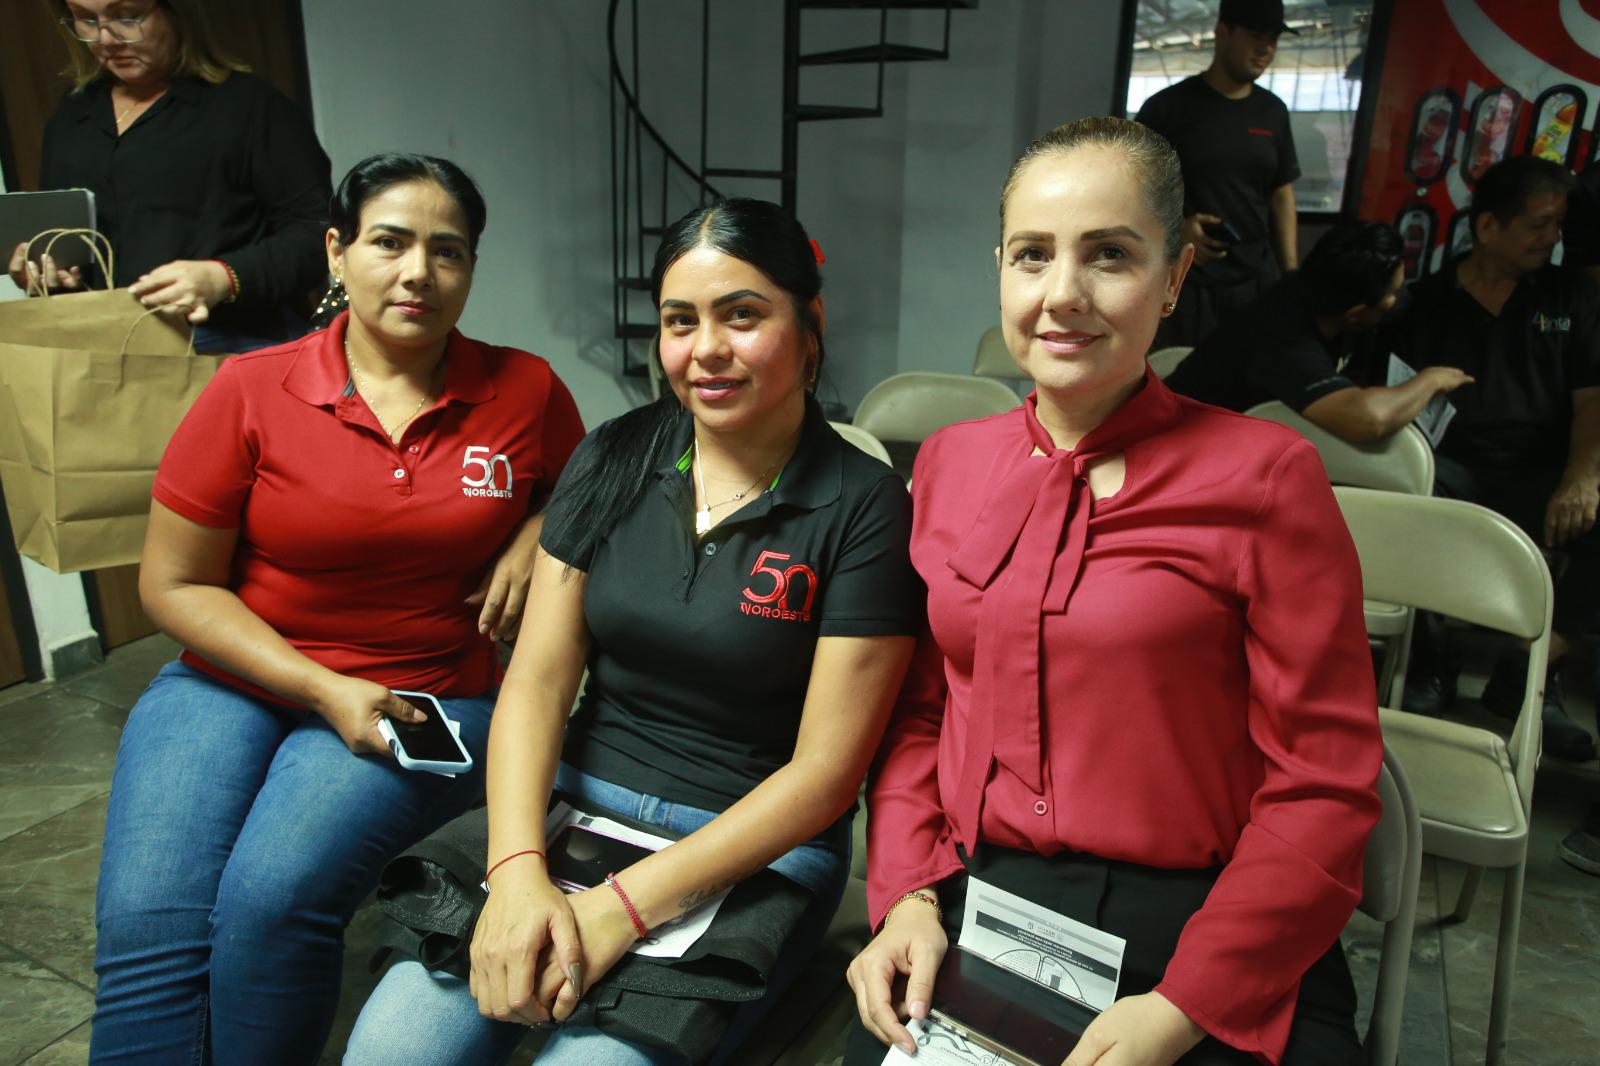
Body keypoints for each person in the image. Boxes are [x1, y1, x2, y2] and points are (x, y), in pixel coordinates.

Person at [845, 116, 1381, 1066]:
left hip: (1211, 917)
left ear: (1175, 279)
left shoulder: (1265, 478)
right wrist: (906, 898)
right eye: (1031, 255)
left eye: (1110, 256)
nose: (1062, 295)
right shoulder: (951, 465)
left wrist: (1185, 1006)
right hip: (987, 897)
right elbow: (920, 717)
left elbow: (1326, 784)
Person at [343, 198, 921, 1065]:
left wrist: (624, 906)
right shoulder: (615, 456)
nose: (706, 351)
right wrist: (515, 872)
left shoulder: (865, 505)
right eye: (680, 321)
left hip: (743, 846)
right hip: (574, 803)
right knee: (392, 1053)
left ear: (810, 325)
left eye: (743, 315)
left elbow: (825, 776)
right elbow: (536, 683)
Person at [88, 153, 585, 1065]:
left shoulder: (524, 389)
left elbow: (596, 497)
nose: (417, 274)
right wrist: (320, 686)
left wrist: (538, 528)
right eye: (388, 243)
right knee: (148, 923)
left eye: (448, 252)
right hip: (234, 678)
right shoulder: (250, 388)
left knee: (270, 902)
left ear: (472, 269)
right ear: (336, 251)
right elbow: (174, 584)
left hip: (425, 692)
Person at [1385, 155, 1598, 761]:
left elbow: (1593, 401)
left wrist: (1583, 478)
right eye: (1537, 225)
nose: (1552, 238)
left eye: (1557, 225)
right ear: (1487, 228)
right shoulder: (1423, 302)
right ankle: (1429, 665)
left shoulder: (1573, 296)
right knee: (1410, 500)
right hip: (1449, 465)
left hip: (1544, 471)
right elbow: (1394, 405)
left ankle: (1532, 673)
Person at [7, 0, 331, 353]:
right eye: (85, 20)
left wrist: (223, 277)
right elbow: (67, 244)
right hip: (106, 352)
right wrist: (46, 273)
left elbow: (319, 238)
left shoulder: (251, 107)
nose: (106, 39)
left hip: (229, 346)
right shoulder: (72, 115)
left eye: (126, 17)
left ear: (177, 12)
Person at [1167, 220, 1473, 439]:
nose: (1399, 299)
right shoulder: (1284, 339)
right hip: (1173, 446)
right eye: (1392, 293)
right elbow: (1369, 420)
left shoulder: (1320, 294)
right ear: (1356, 313)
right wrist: (1431, 380)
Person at [1137, 0, 1300, 348]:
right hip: (1186, 283)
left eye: (1273, 39)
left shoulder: (1273, 112)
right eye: (1257, 36)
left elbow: (1281, 194)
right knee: (1180, 388)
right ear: (1222, 33)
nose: (1266, 49)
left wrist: (1291, 276)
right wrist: (1177, 227)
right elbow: (1131, 191)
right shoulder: (1167, 108)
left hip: (1254, 280)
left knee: (1249, 388)